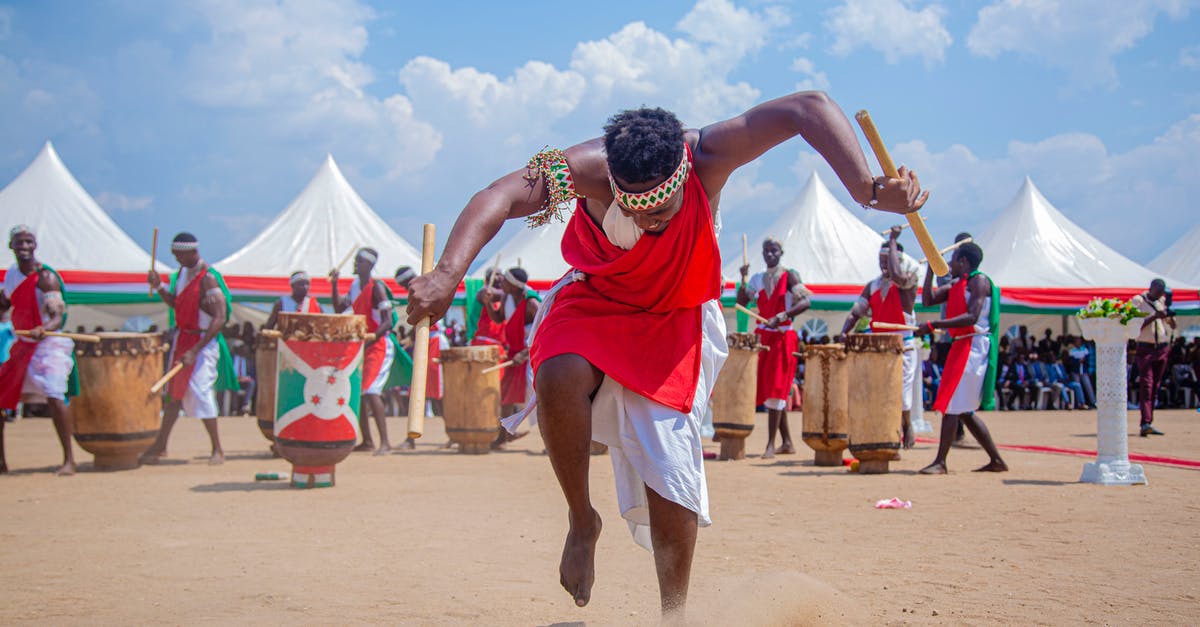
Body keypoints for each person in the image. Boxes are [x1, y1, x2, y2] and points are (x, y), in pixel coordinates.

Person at [403, 92, 927, 616]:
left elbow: (806, 108)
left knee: (669, 469)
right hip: (596, 300)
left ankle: (673, 613)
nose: (649, 221)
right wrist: (449, 274)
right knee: (558, 372)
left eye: (661, 209)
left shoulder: (709, 156)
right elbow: (499, 194)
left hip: (676, 317)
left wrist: (868, 189)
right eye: (634, 208)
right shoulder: (584, 169)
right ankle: (582, 520)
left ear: (681, 175)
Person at [141, 232, 237, 466]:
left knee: (200, 390)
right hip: (182, 340)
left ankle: (218, 449)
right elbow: (178, 304)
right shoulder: (182, 274)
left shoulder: (208, 279)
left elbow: (219, 318)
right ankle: (160, 445)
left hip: (203, 343)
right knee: (174, 395)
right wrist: (160, 287)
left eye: (179, 256)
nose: (177, 260)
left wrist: (196, 351)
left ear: (192, 252)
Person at [915, 242, 1007, 474]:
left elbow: (971, 317)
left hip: (974, 346)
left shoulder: (979, 281)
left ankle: (940, 462)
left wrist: (935, 324)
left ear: (964, 262)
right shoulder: (958, 284)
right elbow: (928, 300)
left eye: (953, 259)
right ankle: (996, 461)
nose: (949, 265)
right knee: (963, 409)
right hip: (961, 345)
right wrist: (929, 270)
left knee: (954, 404)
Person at [0, 225, 78, 475]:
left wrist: (43, 328)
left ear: (35, 246)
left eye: (29, 242)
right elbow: (5, 303)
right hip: (22, 346)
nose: (24, 247)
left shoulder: (46, 278)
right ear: (11, 246)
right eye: (19, 242)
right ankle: (1, 462)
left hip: (48, 345)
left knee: (54, 396)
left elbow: (57, 315)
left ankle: (69, 460)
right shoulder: (12, 275)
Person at [838, 225, 919, 448]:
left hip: (902, 345)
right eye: (881, 260)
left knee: (900, 394)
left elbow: (897, 276)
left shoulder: (909, 280)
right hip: (878, 346)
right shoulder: (872, 286)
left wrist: (893, 241)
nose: (884, 265)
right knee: (879, 391)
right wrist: (845, 332)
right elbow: (856, 313)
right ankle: (883, 429)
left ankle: (906, 425)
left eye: (888, 259)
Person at [735, 238, 810, 458]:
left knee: (777, 388)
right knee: (768, 389)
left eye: (773, 250)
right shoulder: (757, 279)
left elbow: (805, 302)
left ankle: (770, 444)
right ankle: (786, 442)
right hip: (763, 338)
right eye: (766, 251)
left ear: (781, 252)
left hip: (782, 337)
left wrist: (783, 315)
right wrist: (743, 277)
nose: (770, 254)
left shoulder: (790, 276)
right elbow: (742, 301)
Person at [331, 248, 396, 455]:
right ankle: (367, 440)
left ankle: (385, 442)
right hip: (364, 345)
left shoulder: (377, 288)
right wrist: (334, 284)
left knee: (371, 390)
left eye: (360, 261)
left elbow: (387, 322)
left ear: (369, 265)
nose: (356, 264)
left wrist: (371, 339)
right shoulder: (354, 286)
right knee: (359, 392)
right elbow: (340, 309)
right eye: (356, 261)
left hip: (379, 345)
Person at [483, 266, 538, 447]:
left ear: (514, 286)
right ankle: (502, 437)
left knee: (539, 396)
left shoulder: (531, 303)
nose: (502, 283)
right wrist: (488, 303)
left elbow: (544, 330)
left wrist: (525, 353)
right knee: (506, 396)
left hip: (533, 353)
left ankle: (552, 441)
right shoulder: (506, 296)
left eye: (505, 281)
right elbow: (498, 318)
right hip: (515, 354)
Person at [1130, 278, 1175, 436]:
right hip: (1145, 348)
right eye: (1159, 291)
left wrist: (1169, 316)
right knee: (1146, 386)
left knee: (1155, 386)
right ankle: (1145, 423)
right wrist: (1155, 316)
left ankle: (1149, 422)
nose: (1161, 294)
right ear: (1152, 288)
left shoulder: (1162, 301)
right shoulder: (1138, 301)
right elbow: (1133, 325)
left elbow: (1171, 324)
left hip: (1161, 348)